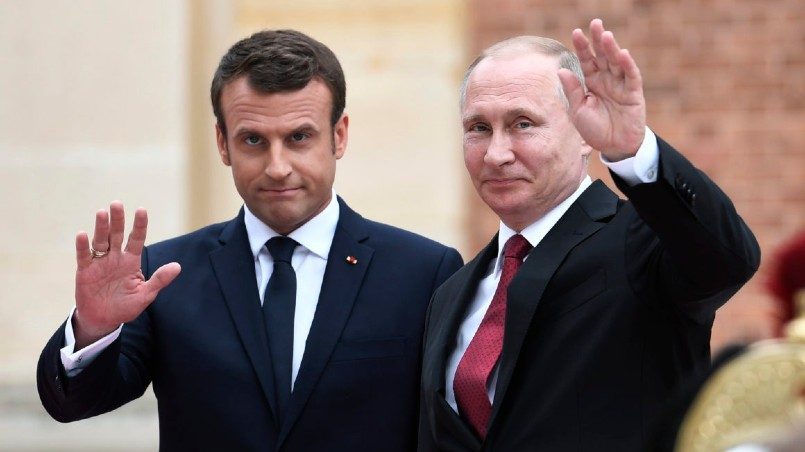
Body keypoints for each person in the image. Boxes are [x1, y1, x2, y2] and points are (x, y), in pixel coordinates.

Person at [37, 29, 463, 451]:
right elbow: (73, 403)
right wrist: (93, 328)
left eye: (299, 137)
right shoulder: (164, 275)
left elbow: (452, 429)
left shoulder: (423, 273)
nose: (277, 167)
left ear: (339, 135)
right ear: (223, 144)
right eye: (254, 140)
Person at [418, 19, 760, 451]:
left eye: (523, 124)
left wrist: (632, 149)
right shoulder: (451, 294)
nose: (496, 154)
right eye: (479, 128)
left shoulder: (642, 244)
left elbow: (727, 259)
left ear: (584, 133)